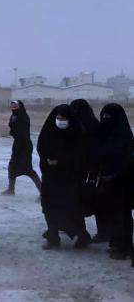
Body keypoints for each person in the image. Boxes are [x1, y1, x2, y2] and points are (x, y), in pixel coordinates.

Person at [37, 104, 91, 250]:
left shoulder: (77, 132)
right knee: (49, 207)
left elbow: (81, 154)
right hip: (51, 177)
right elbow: (41, 146)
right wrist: (48, 159)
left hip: (70, 178)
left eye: (63, 119)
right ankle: (53, 237)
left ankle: (82, 236)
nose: (60, 121)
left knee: (72, 208)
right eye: (58, 118)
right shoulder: (49, 130)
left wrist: (61, 160)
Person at [96, 103, 133, 260]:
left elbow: (128, 161)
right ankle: (116, 243)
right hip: (106, 181)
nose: (105, 120)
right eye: (103, 116)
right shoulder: (103, 135)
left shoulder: (125, 137)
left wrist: (115, 175)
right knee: (112, 214)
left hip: (122, 183)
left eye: (109, 117)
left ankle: (124, 247)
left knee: (122, 216)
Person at [69, 99, 106, 243]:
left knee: (93, 201)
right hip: (87, 169)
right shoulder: (92, 124)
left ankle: (100, 232)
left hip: (91, 170)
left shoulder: (85, 127)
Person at [1, 100, 41, 196]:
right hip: (17, 144)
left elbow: (21, 133)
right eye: (12, 106)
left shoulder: (23, 116)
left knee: (28, 169)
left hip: (24, 145)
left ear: (20, 106)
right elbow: (13, 128)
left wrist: (17, 140)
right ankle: (11, 190)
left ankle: (43, 192)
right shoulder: (13, 116)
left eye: (15, 105)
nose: (13, 107)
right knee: (12, 167)